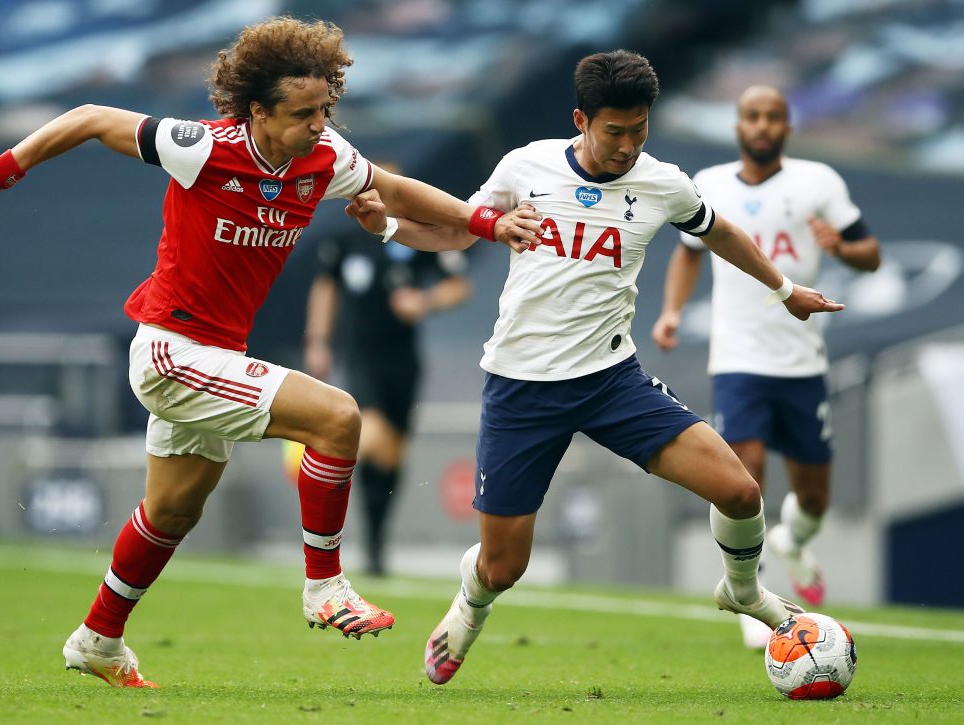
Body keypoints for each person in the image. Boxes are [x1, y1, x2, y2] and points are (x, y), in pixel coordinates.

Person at [0, 16, 540, 688]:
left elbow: (398, 191)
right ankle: (325, 584)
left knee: (172, 511)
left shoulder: (326, 157)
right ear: (258, 110)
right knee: (340, 417)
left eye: (326, 109)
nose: (319, 125)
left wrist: (485, 220)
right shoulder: (202, 147)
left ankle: (97, 637)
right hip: (172, 350)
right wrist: (0, 171)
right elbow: (86, 116)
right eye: (302, 113)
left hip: (217, 352)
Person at [349, 49, 844, 686]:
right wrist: (387, 225)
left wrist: (783, 289)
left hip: (613, 382)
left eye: (640, 130)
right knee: (503, 567)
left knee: (742, 491)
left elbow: (719, 233)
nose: (627, 146)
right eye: (614, 132)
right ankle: (470, 605)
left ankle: (745, 594)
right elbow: (457, 233)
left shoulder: (663, 183)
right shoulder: (524, 166)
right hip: (521, 387)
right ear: (581, 119)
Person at [651, 85, 881, 648]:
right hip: (738, 359)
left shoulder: (818, 182)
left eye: (772, 117)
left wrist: (842, 248)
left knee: (815, 498)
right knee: (745, 479)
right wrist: (672, 313)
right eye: (752, 116)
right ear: (738, 126)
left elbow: (869, 253)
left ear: (786, 127)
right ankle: (754, 597)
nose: (761, 125)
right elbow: (687, 254)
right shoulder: (710, 184)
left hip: (802, 361)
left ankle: (794, 541)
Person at [304, 166, 473, 576]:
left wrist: (425, 301)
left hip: (404, 360)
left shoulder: (413, 236)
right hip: (360, 356)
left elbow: (458, 285)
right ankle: (348, 541)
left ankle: (376, 545)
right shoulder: (344, 241)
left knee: (394, 452)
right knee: (374, 437)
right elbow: (325, 288)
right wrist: (318, 341)